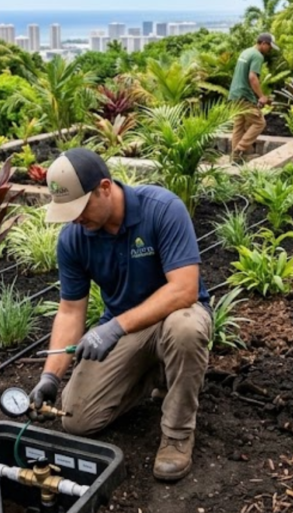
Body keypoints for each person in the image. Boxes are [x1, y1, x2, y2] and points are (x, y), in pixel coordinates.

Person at [30, 148, 212, 482]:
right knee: (77, 420)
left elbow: (184, 289)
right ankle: (156, 374)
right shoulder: (74, 238)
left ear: (104, 187)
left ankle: (177, 433)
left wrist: (115, 327)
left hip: (177, 316)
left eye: (80, 207)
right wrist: (51, 376)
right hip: (128, 330)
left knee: (184, 329)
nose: (75, 218)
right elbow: (70, 311)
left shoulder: (162, 208)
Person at [228, 32, 279, 162]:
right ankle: (239, 150)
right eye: (269, 46)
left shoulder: (246, 52)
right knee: (259, 123)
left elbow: (243, 76)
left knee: (239, 125)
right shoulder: (257, 56)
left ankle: (235, 159)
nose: (270, 49)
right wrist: (261, 96)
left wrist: (255, 98)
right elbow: (252, 77)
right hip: (244, 95)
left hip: (235, 93)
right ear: (263, 43)